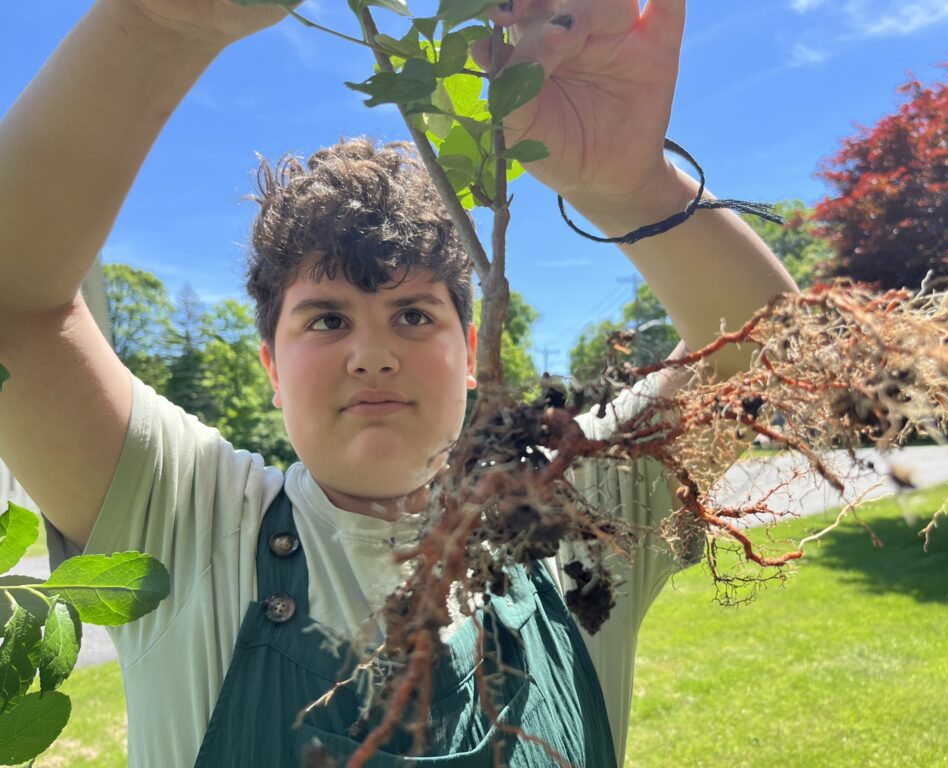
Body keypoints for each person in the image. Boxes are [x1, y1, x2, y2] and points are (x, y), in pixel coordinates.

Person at [0, 0, 797, 765]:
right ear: (271, 367)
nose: (372, 355)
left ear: (472, 346)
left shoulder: (567, 522)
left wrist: (634, 188)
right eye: (326, 320)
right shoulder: (189, 521)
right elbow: (15, 312)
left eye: (414, 315)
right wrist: (151, 22)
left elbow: (766, 363)